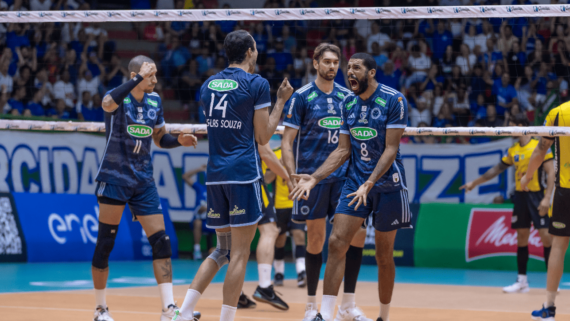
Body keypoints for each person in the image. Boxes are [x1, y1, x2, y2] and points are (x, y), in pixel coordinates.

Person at [172, 30, 293, 321]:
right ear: (251, 51)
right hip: (243, 175)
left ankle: (183, 312)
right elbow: (263, 136)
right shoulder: (257, 84)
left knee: (222, 250)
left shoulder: (208, 85)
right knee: (239, 254)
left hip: (215, 175)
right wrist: (281, 102)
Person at [291, 52, 410, 321]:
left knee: (383, 255)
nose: (349, 72)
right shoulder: (349, 104)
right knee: (335, 243)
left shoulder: (394, 100)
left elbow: (391, 149)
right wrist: (315, 177)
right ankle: (325, 313)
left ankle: (383, 316)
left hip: (387, 185)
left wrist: (371, 182)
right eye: (348, 68)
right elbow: (342, 151)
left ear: (371, 73)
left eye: (356, 67)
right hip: (355, 183)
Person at [92, 55, 199, 321]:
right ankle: (100, 309)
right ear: (134, 77)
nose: (155, 79)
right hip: (115, 178)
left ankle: (168, 309)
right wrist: (138, 79)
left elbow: (160, 138)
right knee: (106, 243)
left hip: (143, 181)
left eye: (154, 74)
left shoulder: (155, 101)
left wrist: (179, 141)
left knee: (161, 241)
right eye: (150, 75)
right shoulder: (118, 98)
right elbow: (106, 103)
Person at [281, 43, 370, 321]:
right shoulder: (302, 97)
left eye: (336, 62)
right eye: (327, 62)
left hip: (344, 178)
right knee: (316, 240)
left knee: (356, 236)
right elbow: (286, 141)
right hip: (312, 179)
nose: (332, 67)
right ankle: (311, 307)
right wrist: (291, 175)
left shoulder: (348, 97)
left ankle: (348, 305)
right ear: (316, 63)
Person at [460, 113, 554, 293]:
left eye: (511, 126)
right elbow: (496, 170)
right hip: (520, 196)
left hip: (538, 195)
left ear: (521, 125)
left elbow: (551, 172)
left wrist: (547, 197)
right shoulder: (513, 150)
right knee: (521, 238)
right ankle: (522, 281)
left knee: (546, 238)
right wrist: (474, 182)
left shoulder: (540, 145)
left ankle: (552, 281)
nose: (509, 130)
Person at [524, 103, 570, 321]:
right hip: (563, 190)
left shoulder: (559, 112)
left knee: (559, 247)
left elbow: (541, 149)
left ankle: (549, 308)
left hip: (566, 191)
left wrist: (527, 175)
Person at [269, 146, 307, 288]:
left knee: (299, 235)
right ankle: (279, 273)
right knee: (280, 239)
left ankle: (301, 271)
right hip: (279, 205)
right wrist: (278, 165)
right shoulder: (275, 152)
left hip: (296, 203)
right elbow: (267, 179)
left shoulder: (301, 152)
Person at [182, 164, 208, 260]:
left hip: (214, 219)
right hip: (200, 218)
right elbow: (185, 176)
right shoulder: (200, 188)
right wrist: (199, 169)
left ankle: (224, 250)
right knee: (197, 223)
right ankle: (197, 250)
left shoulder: (218, 190)